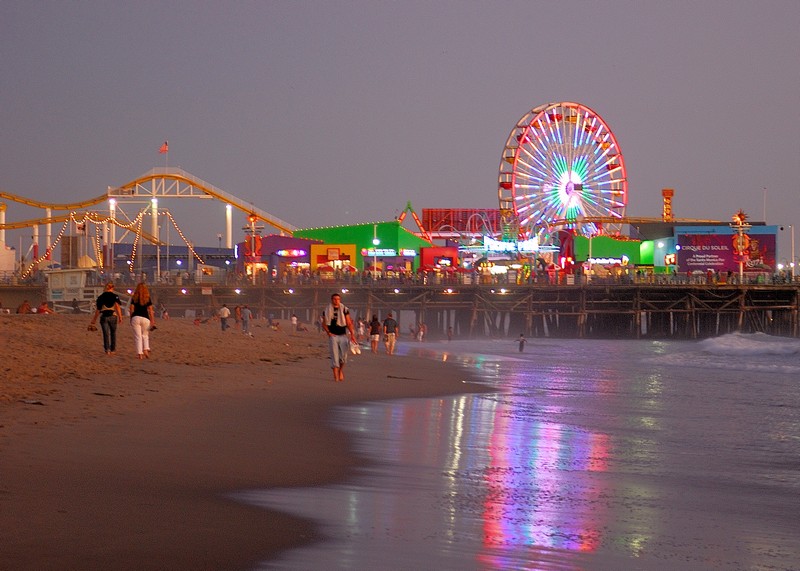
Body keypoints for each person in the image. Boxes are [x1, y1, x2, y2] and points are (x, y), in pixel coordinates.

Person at [321, 293, 356, 382]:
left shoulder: (344, 309)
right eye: (334, 299)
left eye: (338, 299)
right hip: (333, 336)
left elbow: (348, 322)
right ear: (331, 300)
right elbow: (324, 324)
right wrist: (328, 333)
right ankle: (336, 375)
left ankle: (340, 371)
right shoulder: (327, 310)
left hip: (343, 335)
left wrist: (352, 334)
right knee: (335, 356)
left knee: (343, 357)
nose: (336, 301)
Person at [89, 282, 124, 355]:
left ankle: (107, 350)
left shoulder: (101, 297)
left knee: (106, 334)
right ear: (112, 288)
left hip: (104, 316)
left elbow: (98, 310)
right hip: (113, 316)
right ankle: (113, 349)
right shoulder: (115, 296)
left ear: (105, 288)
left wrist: (94, 320)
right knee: (113, 333)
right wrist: (120, 317)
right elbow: (117, 307)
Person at [129, 282, 156, 360]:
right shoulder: (147, 298)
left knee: (138, 336)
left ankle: (140, 354)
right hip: (145, 318)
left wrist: (131, 318)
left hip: (136, 317)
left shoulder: (134, 297)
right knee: (145, 335)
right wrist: (152, 321)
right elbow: (150, 310)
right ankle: (146, 349)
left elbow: (131, 308)